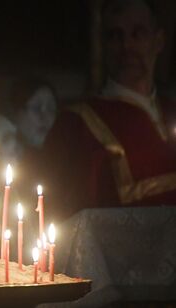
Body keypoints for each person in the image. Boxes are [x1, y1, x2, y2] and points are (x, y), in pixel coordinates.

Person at [40, 0, 176, 221]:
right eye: (115, 36)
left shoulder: (171, 110)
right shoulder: (74, 124)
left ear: (158, 41)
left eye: (138, 34)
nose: (127, 46)